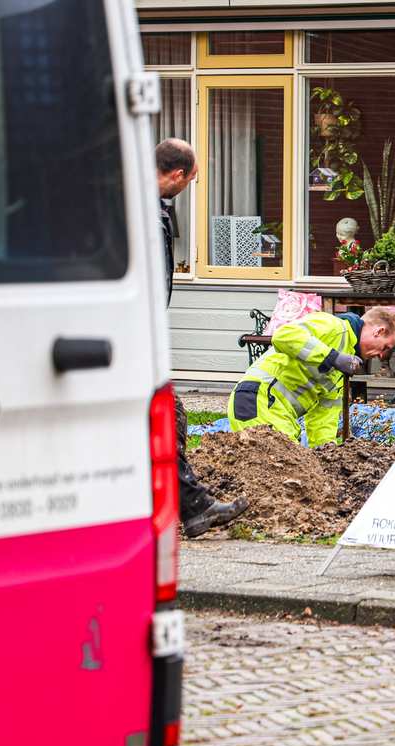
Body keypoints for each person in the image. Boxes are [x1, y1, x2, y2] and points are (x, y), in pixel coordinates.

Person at [156, 138, 248, 536]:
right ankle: (194, 508)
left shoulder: (142, 202)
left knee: (163, 420)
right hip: (130, 335)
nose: (189, 185)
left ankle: (193, 509)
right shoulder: (138, 206)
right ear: (177, 175)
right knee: (164, 419)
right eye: (191, 179)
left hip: (137, 332)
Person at [227, 308, 395, 447]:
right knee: (281, 472)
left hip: (277, 411)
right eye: (386, 347)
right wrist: (332, 357)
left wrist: (328, 452)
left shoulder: (343, 368)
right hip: (257, 401)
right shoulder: (334, 326)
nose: (381, 356)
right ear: (379, 331)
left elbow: (324, 417)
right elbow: (284, 335)